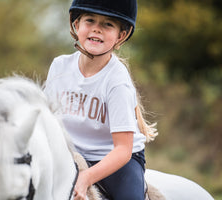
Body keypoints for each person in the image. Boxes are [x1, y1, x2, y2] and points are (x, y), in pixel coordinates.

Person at [44, 0, 158, 199]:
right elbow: (46, 123)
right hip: (70, 155)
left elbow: (123, 149)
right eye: (90, 20)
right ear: (76, 25)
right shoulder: (59, 67)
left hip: (115, 160)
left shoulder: (117, 81)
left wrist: (86, 177)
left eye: (107, 24)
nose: (96, 29)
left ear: (120, 36)